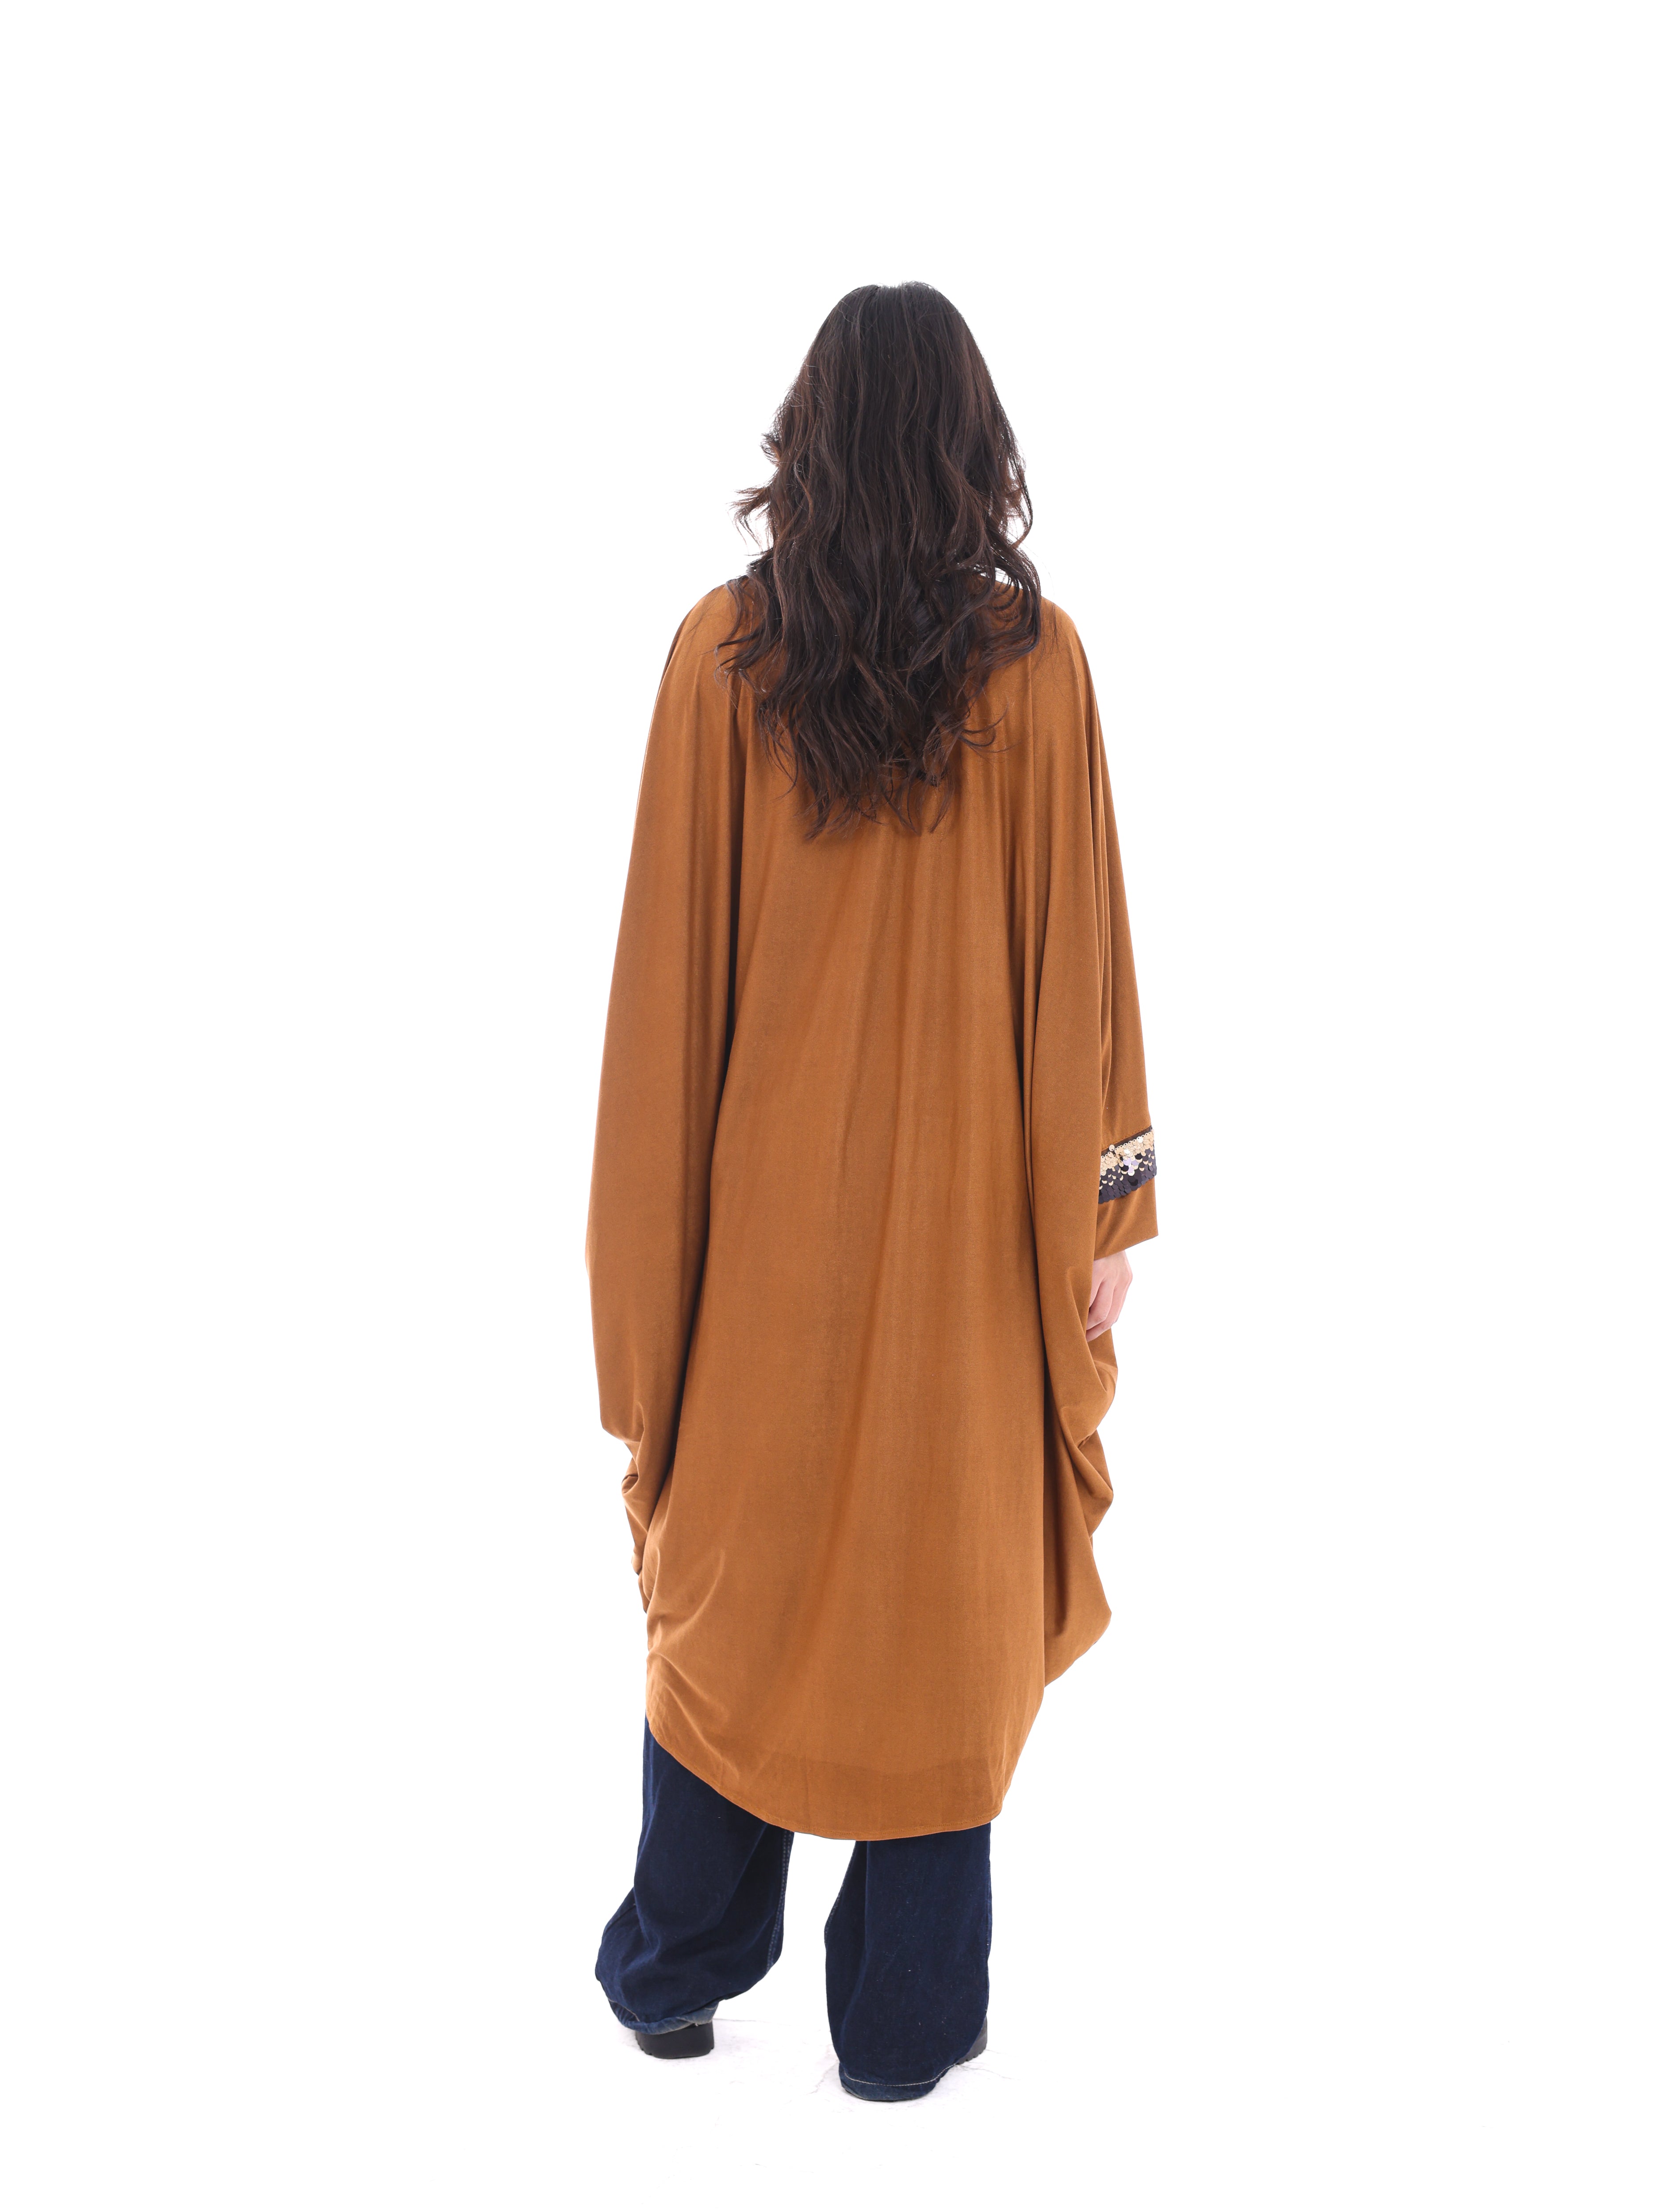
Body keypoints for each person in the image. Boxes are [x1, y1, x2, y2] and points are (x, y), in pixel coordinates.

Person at [586, 283, 1157, 2102]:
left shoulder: (722, 656)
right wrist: (1105, 1219)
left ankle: (675, 1974)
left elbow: (661, 1017)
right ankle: (902, 2035)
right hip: (969, 1277)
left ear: (808, 445)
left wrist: (645, 1304)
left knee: (737, 1600)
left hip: (759, 1271)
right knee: (938, 1606)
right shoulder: (1035, 667)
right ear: (973, 447)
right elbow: (1090, 986)